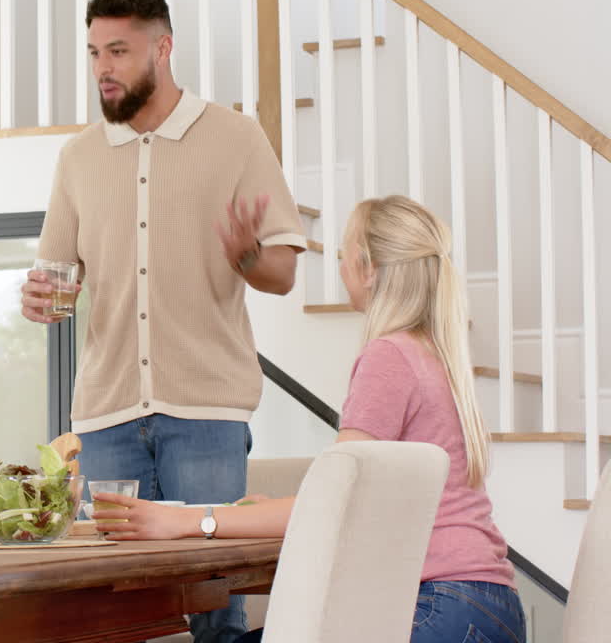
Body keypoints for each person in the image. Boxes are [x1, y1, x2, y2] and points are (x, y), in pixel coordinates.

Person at [94, 196, 525, 643]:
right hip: (488, 609)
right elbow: (352, 499)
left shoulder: (389, 357)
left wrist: (188, 521)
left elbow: (338, 505)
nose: (339, 267)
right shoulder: (436, 356)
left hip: (433, 608)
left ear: (368, 268)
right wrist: (267, 511)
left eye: (343, 254)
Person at [21, 0, 305, 642]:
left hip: (206, 412)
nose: (103, 68)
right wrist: (41, 300)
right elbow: (58, 277)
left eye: (118, 50)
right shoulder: (78, 157)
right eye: (94, 52)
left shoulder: (235, 138)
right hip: (106, 417)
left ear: (164, 47)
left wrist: (245, 257)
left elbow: (283, 272)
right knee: (115, 612)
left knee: (215, 611)